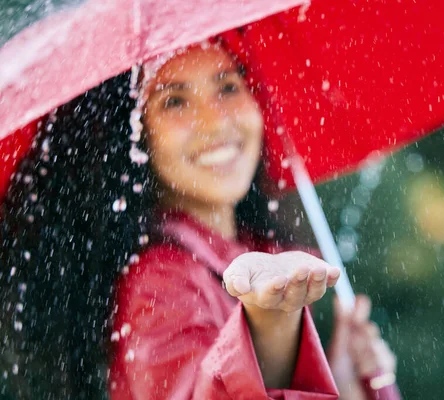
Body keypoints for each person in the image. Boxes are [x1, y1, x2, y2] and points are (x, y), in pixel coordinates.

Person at [0, 41, 396, 399]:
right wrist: (271, 322)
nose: (215, 120)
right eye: (174, 101)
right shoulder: (158, 286)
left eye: (227, 86)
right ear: (135, 138)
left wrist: (344, 382)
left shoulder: (259, 248)